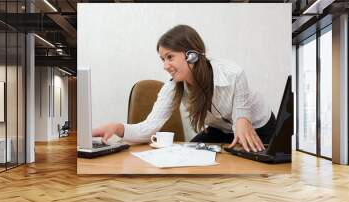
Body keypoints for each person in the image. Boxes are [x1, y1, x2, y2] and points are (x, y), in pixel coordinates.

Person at [92, 24, 276, 152]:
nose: (165, 65)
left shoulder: (233, 74)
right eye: (162, 59)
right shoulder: (172, 88)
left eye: (169, 57)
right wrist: (117, 127)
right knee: (191, 152)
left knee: (251, 165)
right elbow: (149, 128)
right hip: (220, 130)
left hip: (259, 126)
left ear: (191, 55)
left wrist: (243, 122)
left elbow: (241, 122)